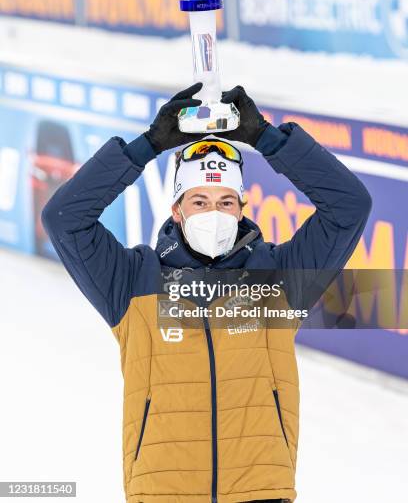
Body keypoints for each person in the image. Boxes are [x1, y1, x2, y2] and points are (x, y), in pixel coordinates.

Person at [41, 83, 372, 503]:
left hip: (260, 490)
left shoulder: (279, 278)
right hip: (163, 492)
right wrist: (146, 146)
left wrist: (266, 139)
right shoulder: (131, 279)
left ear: (241, 208)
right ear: (176, 210)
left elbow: (349, 207)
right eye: (199, 201)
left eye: (225, 202)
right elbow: (64, 218)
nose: (214, 214)